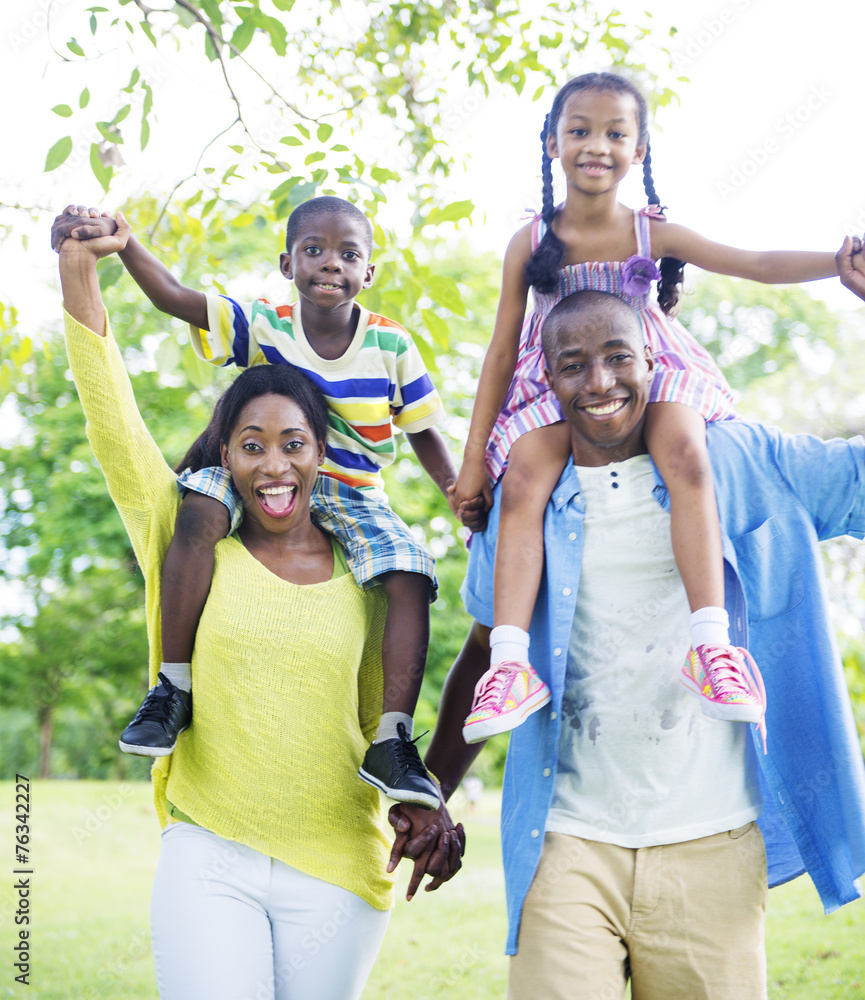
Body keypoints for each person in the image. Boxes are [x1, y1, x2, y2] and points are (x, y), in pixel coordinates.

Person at [389, 262, 865, 998]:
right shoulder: (524, 496)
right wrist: (435, 795)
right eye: (573, 367)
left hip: (712, 842)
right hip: (568, 841)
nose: (600, 384)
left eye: (618, 359)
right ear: (546, 379)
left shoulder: (742, 462)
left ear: (655, 358)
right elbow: (483, 652)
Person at [54, 215, 443, 1000]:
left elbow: (374, 712)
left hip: (337, 864)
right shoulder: (187, 533)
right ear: (224, 453)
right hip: (210, 854)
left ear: (322, 454)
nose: (273, 464)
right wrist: (79, 269)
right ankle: (171, 690)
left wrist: (421, 801)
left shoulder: (368, 570)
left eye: (294, 444)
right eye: (252, 444)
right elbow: (110, 413)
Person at [450, 71, 849, 746]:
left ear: (638, 150)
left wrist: (836, 263)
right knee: (521, 481)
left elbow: (752, 260)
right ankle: (511, 665)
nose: (595, 145)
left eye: (614, 133)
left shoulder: (648, 232)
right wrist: (470, 465)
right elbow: (498, 352)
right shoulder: (530, 240)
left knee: (687, 455)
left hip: (649, 371)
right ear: (551, 143)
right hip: (559, 381)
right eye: (578, 130)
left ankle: (712, 646)